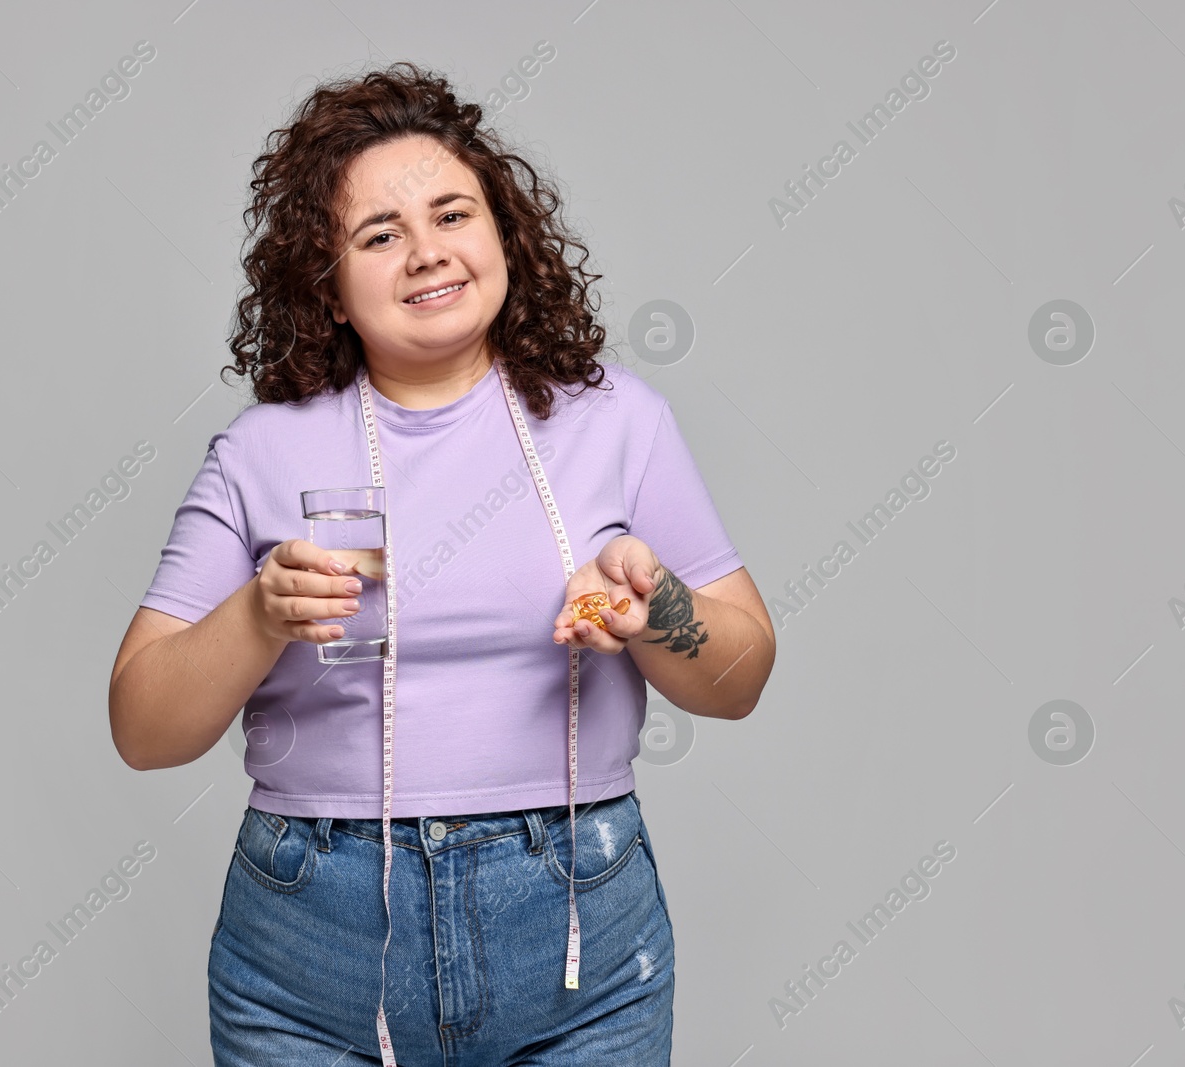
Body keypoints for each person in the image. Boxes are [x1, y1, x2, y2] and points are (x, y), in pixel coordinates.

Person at [108, 61, 776, 1067]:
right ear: (327, 290)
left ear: (502, 234)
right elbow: (143, 729)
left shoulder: (616, 421)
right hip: (308, 951)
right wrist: (260, 613)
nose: (427, 252)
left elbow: (741, 680)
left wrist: (659, 612)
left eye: (452, 214)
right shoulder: (263, 452)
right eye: (379, 235)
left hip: (576, 935)